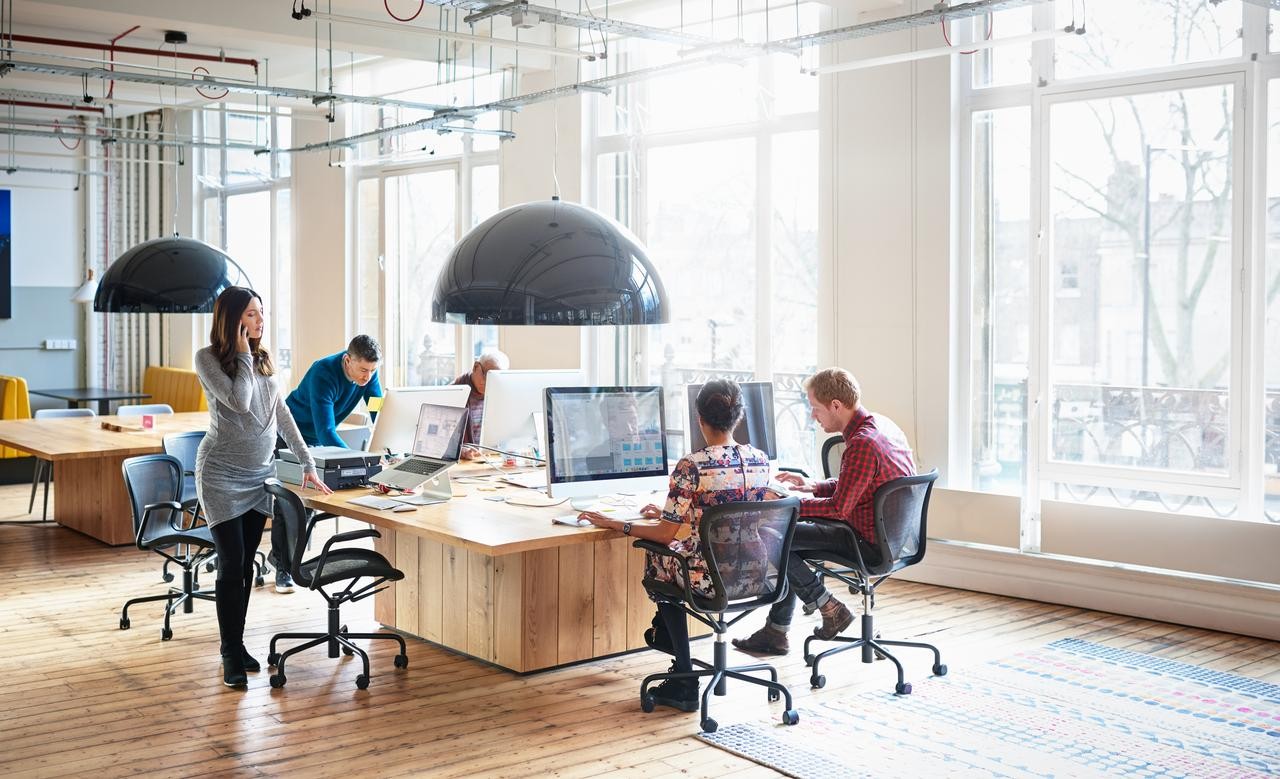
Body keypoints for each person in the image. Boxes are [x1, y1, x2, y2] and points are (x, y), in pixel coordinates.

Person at [580, 379, 776, 712]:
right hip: (755, 571)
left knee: (658, 560)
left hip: (709, 579)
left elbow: (664, 535)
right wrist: (671, 513)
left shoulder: (692, 466)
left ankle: (683, 675)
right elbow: (727, 511)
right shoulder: (759, 459)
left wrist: (618, 524)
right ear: (739, 417)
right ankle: (671, 646)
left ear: (700, 419)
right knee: (675, 555)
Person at [194, 287, 333, 689]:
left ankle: (238, 644)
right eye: (252, 314)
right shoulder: (208, 359)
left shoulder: (263, 359)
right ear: (233, 320)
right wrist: (241, 354)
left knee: (245, 567)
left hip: (258, 477)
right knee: (231, 563)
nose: (260, 321)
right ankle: (229, 652)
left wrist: (307, 463)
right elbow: (239, 401)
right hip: (220, 475)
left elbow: (282, 415)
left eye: (261, 313)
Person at [732, 367, 915, 657]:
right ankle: (777, 632)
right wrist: (813, 486)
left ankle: (828, 608)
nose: (812, 416)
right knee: (784, 537)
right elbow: (861, 485)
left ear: (836, 406)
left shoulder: (863, 443)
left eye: (815, 408)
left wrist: (787, 505)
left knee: (771, 535)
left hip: (865, 542)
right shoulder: (881, 426)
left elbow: (839, 509)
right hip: (893, 538)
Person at [271, 335, 383, 592]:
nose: (368, 377)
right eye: (363, 370)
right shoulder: (323, 372)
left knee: (308, 505)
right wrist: (359, 460)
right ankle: (282, 567)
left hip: (316, 440)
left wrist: (388, 445)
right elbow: (326, 432)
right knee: (289, 503)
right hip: (289, 435)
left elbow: (377, 411)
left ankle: (287, 559)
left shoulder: (369, 374)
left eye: (372, 370)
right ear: (347, 360)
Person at [451, 348, 510, 459]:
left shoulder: (500, 395)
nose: (489, 382)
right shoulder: (454, 393)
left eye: (495, 378)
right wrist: (460, 450)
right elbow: (440, 441)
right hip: (464, 462)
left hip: (491, 458)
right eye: (486, 375)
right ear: (475, 367)